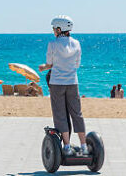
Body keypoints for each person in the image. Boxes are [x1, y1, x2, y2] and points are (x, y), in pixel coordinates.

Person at [39, 15, 88, 156]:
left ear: (60, 29)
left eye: (54, 28)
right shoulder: (77, 44)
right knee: (77, 114)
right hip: (72, 82)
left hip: (57, 83)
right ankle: (84, 145)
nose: (53, 31)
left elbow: (49, 63)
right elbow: (77, 64)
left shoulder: (53, 45)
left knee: (60, 114)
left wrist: (43, 67)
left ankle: (66, 146)